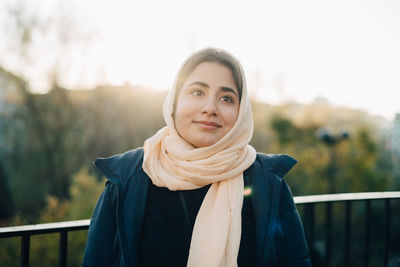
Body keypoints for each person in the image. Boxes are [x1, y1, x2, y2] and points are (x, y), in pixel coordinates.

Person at [82, 48, 311, 267]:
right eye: (197, 92)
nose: (210, 108)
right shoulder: (129, 177)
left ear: (241, 112)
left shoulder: (268, 183)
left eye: (227, 98)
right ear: (174, 102)